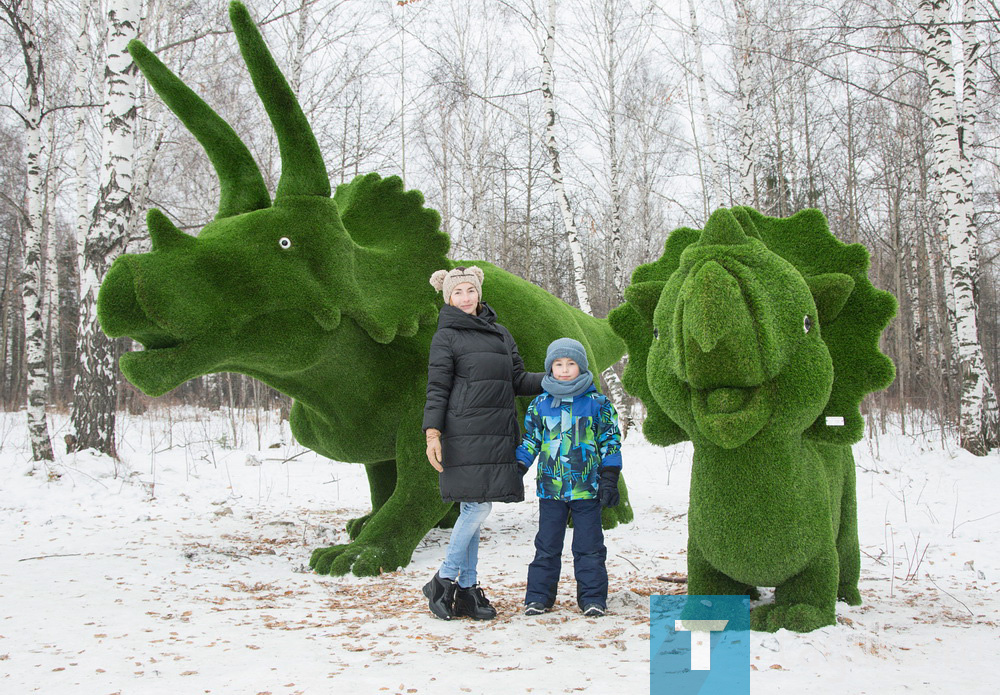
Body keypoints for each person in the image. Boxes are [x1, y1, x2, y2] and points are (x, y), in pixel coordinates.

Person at [421, 266, 544, 621]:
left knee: (472, 510)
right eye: (457, 292)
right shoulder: (446, 337)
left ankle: (468, 591)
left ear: (478, 292)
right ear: (448, 298)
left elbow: (518, 379)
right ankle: (443, 580)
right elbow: (438, 388)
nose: (465, 298)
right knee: (477, 508)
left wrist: (552, 379)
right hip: (463, 432)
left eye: (469, 291)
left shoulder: (501, 333)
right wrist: (432, 433)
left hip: (497, 430)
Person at [516, 338, 622, 618]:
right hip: (551, 489)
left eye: (570, 363)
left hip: (587, 489)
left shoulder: (597, 404)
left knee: (589, 547)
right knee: (546, 546)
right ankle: (538, 597)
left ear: (581, 366)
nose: (564, 369)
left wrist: (610, 477)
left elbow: (610, 442)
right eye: (558, 364)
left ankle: (593, 599)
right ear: (550, 368)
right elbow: (531, 440)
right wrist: (518, 467)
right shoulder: (540, 404)